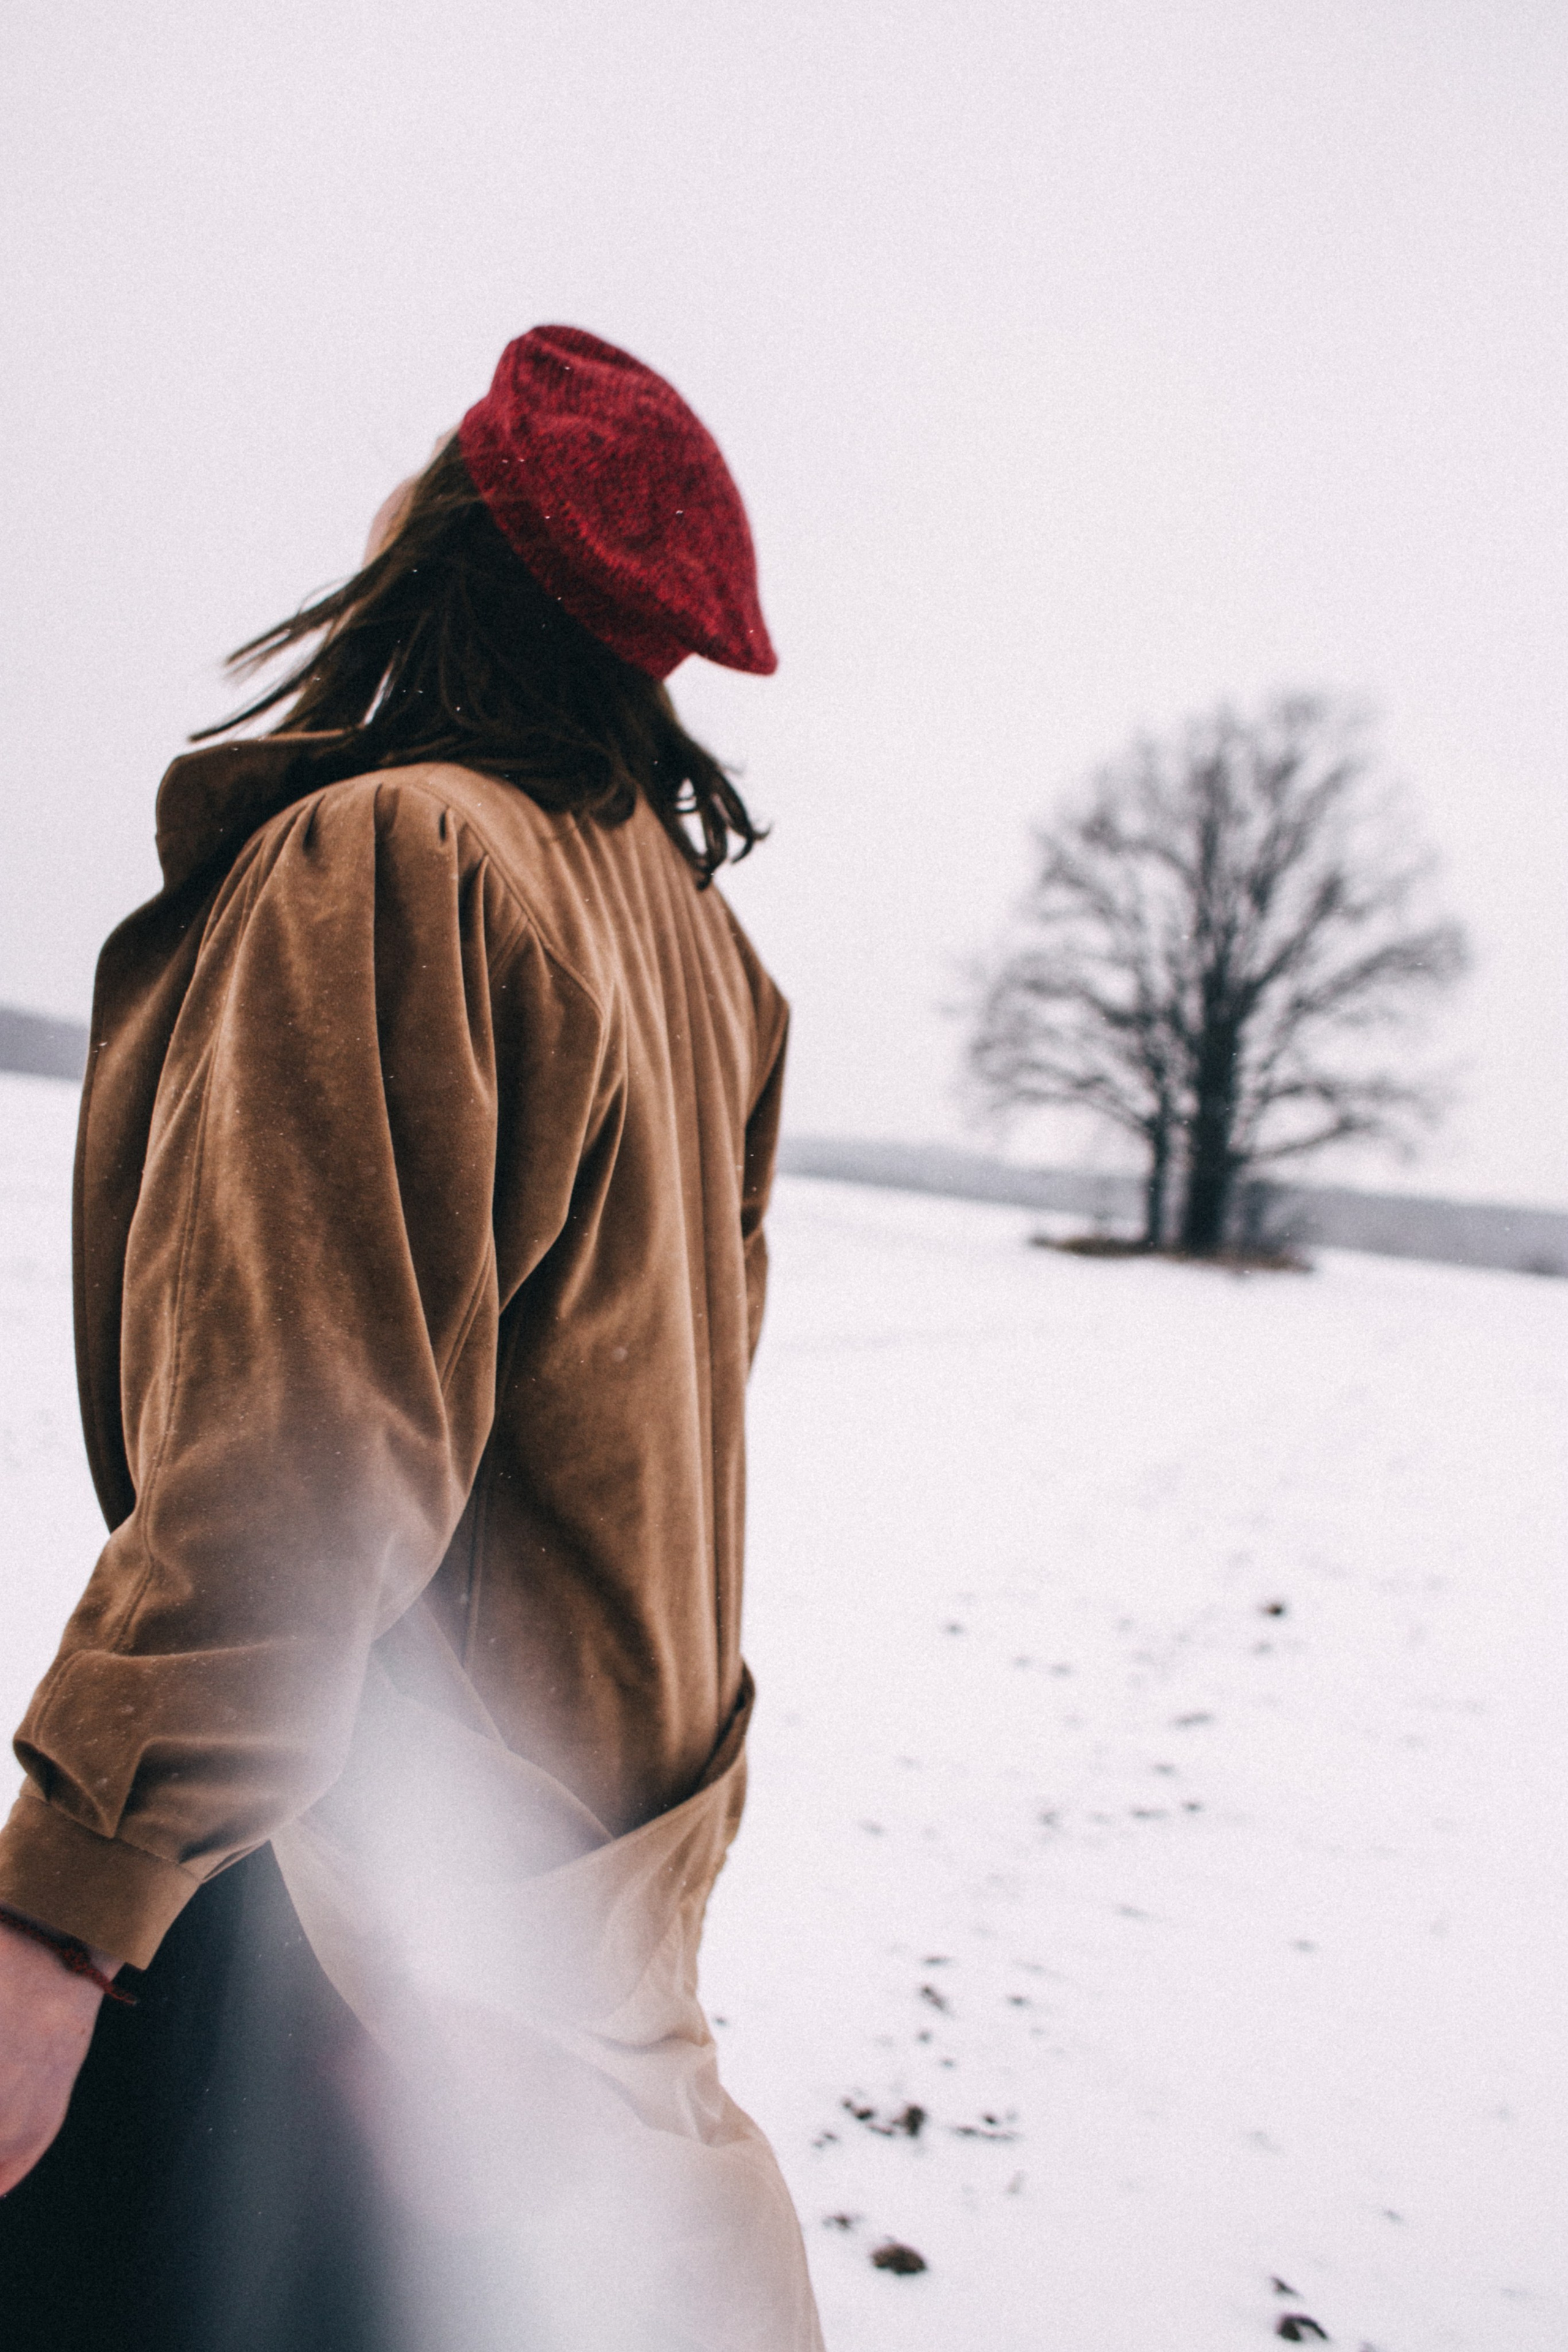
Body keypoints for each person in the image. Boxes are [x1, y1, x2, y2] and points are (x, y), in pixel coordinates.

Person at [0, 326, 823, 2352]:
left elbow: (309, 1457)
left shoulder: (401, 858)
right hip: (563, 1893)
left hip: (337, 1886)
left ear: (443, 541)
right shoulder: (697, 948)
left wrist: (65, 1913)